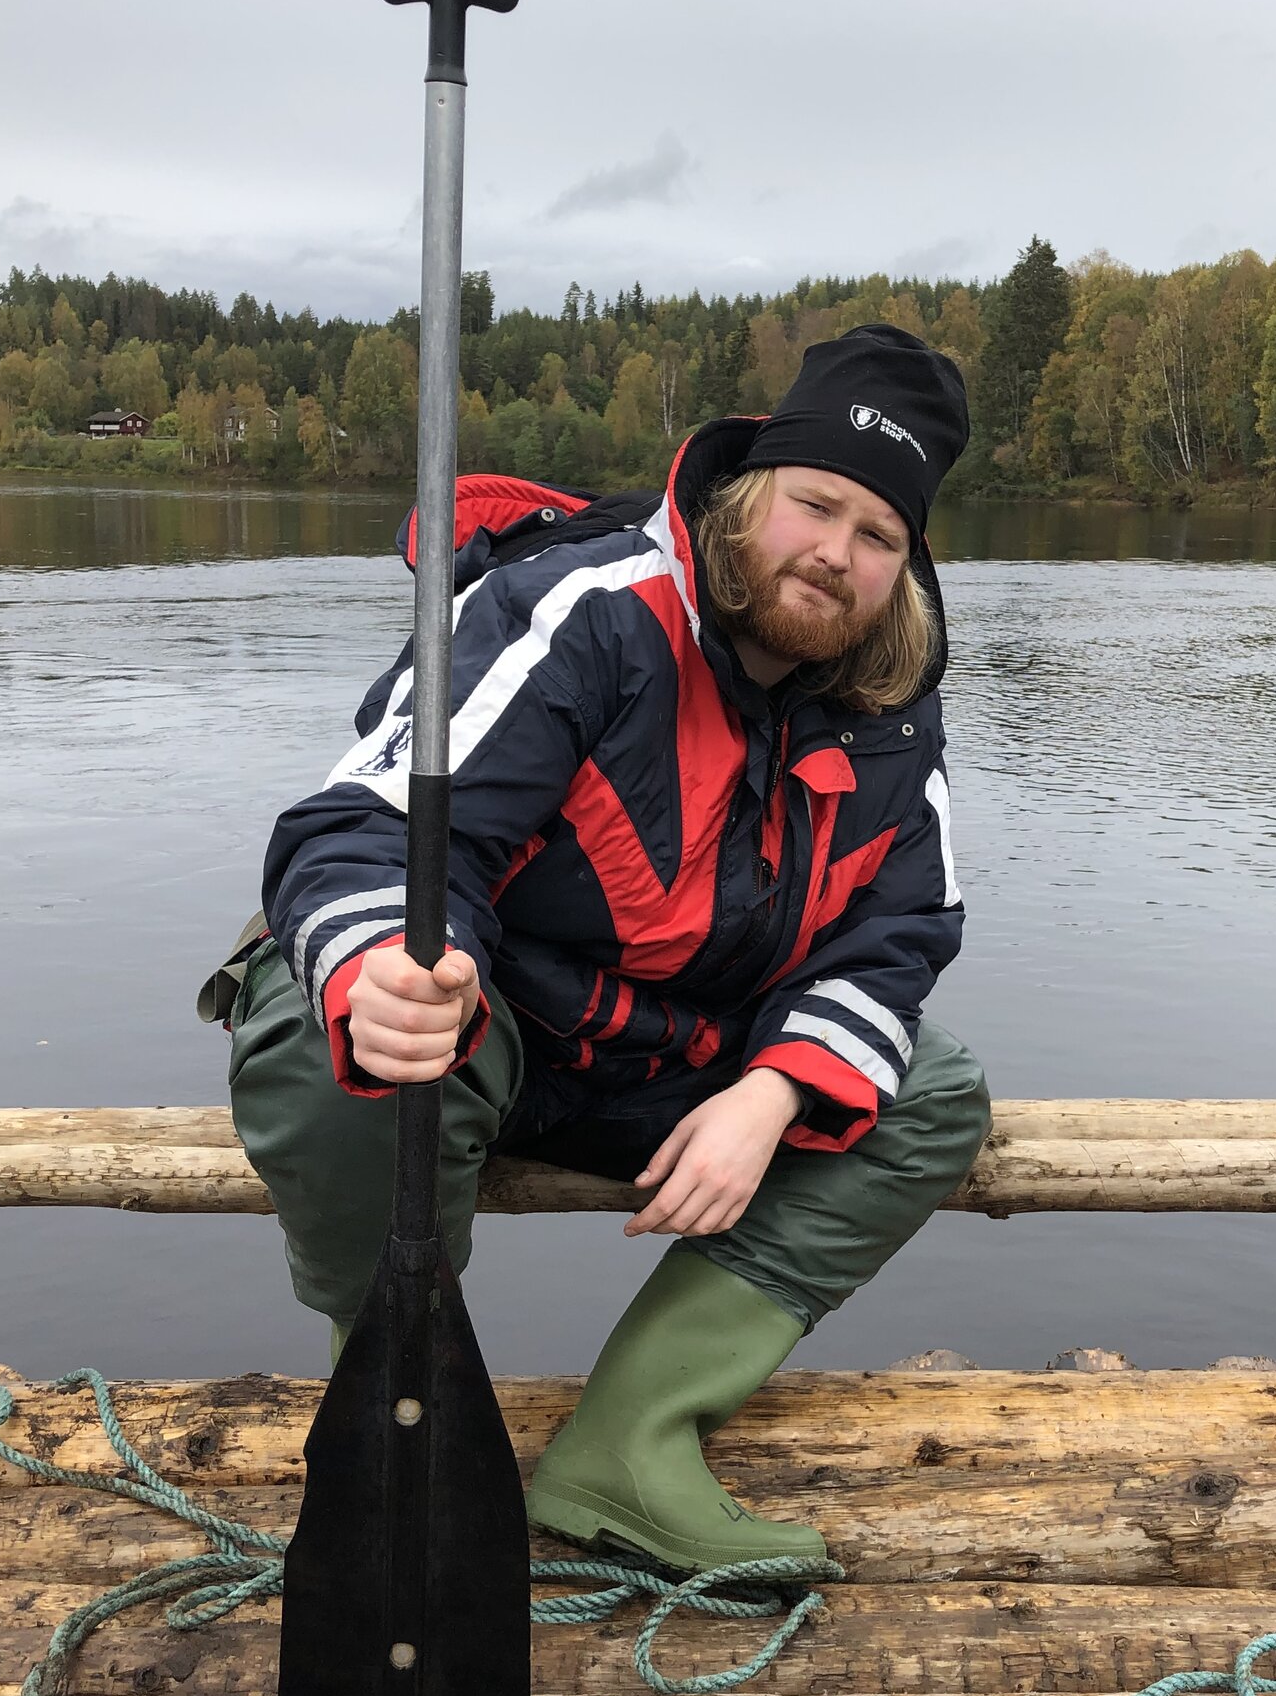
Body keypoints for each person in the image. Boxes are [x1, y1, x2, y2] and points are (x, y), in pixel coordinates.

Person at [211, 323, 988, 1573]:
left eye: (878, 536)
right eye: (815, 505)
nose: (834, 554)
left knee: (930, 1094)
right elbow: (369, 829)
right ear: (749, 495)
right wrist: (380, 977)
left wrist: (772, 1092)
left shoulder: (890, 702)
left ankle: (625, 1449)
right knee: (327, 1036)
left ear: (906, 562)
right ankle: (405, 1405)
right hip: (491, 1023)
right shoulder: (586, 611)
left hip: (674, 1058)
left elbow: (898, 935)